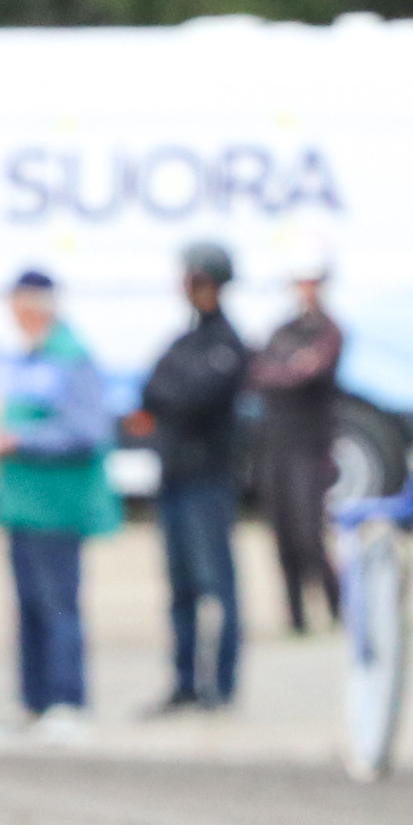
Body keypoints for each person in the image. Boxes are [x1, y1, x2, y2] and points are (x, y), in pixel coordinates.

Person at [0, 266, 116, 736]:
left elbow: (87, 431)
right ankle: (33, 701)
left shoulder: (71, 358)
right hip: (21, 504)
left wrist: (19, 441)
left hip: (56, 506)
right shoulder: (24, 359)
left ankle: (67, 701)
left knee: (59, 603)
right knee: (28, 606)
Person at [136, 239, 248, 711]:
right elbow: (154, 389)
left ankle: (220, 684)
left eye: (199, 281)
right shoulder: (184, 342)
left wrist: (172, 397)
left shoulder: (227, 344)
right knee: (180, 588)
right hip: (176, 478)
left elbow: (191, 396)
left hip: (209, 480)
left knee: (216, 585)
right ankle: (184, 681)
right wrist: (171, 396)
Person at [246, 245, 344, 634]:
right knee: (282, 534)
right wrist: (288, 370)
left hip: (311, 447)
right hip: (277, 447)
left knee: (309, 534)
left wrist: (285, 372)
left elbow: (306, 371)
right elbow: (260, 374)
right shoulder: (283, 331)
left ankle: (338, 608)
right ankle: (297, 618)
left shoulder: (330, 331)